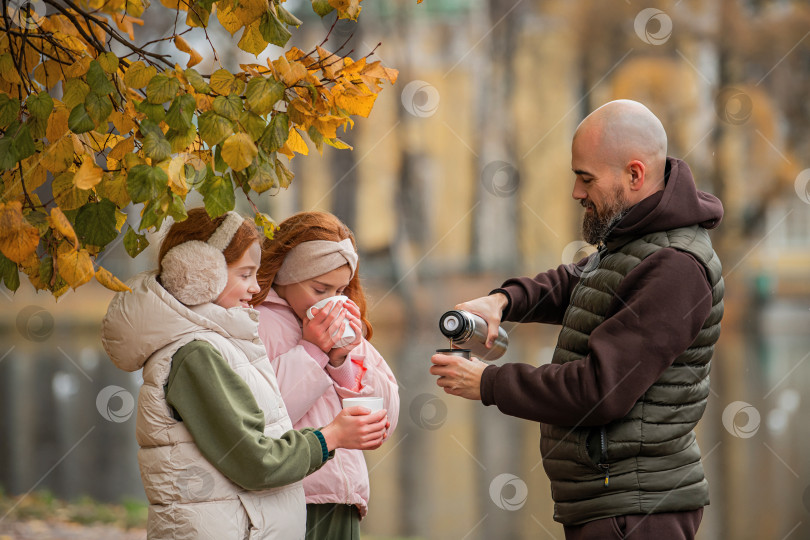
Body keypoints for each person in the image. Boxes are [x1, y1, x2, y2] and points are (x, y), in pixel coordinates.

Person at [430, 100, 724, 540]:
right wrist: (502, 302)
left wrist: (488, 384)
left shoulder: (676, 268)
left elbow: (599, 390)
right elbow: (574, 283)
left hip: (635, 512)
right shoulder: (635, 240)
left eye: (586, 178)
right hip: (610, 503)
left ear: (635, 174)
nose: (576, 192)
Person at [101, 208, 389, 540]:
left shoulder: (222, 342)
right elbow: (256, 461)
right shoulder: (195, 354)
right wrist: (331, 437)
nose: (255, 287)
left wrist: (341, 363)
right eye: (245, 274)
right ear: (198, 274)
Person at [251, 211, 400, 540]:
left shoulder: (344, 325)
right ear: (285, 275)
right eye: (320, 289)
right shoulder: (257, 324)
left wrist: (341, 360)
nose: (332, 301)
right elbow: (262, 419)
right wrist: (312, 350)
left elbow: (385, 416)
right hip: (289, 500)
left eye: (341, 289)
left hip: (344, 501)